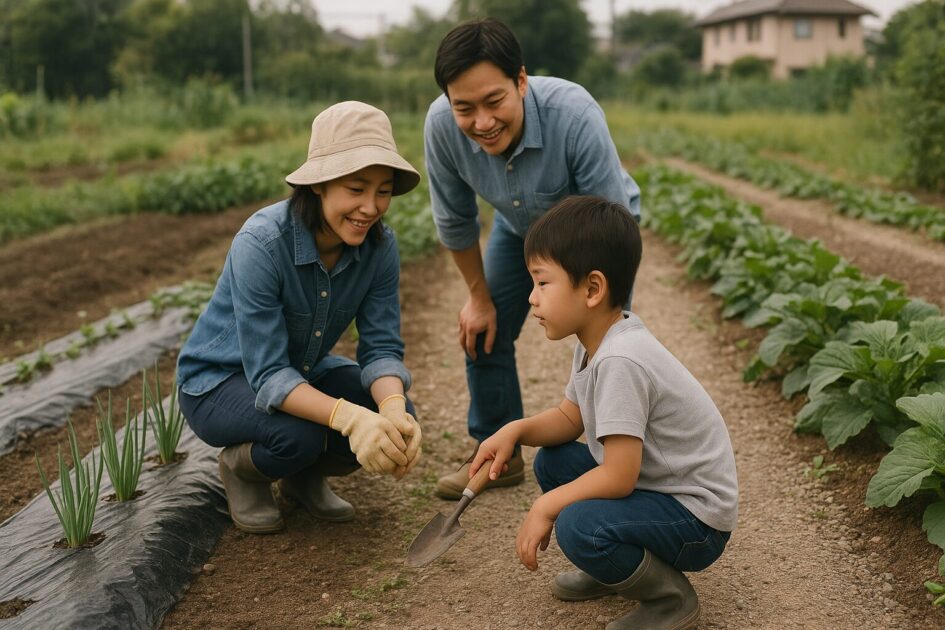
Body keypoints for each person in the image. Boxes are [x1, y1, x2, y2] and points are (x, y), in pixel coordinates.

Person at [469, 196, 738, 630]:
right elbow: (569, 418)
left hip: (696, 520)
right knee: (554, 460)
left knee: (576, 524)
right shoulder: (595, 342)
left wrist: (545, 507)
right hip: (663, 493)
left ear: (592, 289)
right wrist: (515, 430)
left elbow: (618, 476)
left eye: (542, 283)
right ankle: (615, 571)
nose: (531, 298)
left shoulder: (621, 360)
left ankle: (670, 601)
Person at [176, 101, 423, 534]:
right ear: (319, 185)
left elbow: (381, 347)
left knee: (388, 416)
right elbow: (269, 372)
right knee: (301, 435)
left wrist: (393, 407)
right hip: (217, 381)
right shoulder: (263, 242)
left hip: (301, 370)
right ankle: (242, 469)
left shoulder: (380, 248)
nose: (371, 207)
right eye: (356, 188)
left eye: (382, 190)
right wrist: (350, 418)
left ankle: (303, 478)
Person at [424, 17, 642, 499]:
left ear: (520, 81)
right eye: (465, 107)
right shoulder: (441, 127)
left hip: (599, 229)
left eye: (494, 101)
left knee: (610, 342)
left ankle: (621, 456)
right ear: (448, 101)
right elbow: (456, 222)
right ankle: (494, 451)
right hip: (519, 226)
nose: (481, 122)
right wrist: (478, 298)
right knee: (483, 327)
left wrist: (592, 317)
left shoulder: (573, 113)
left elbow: (612, 225)